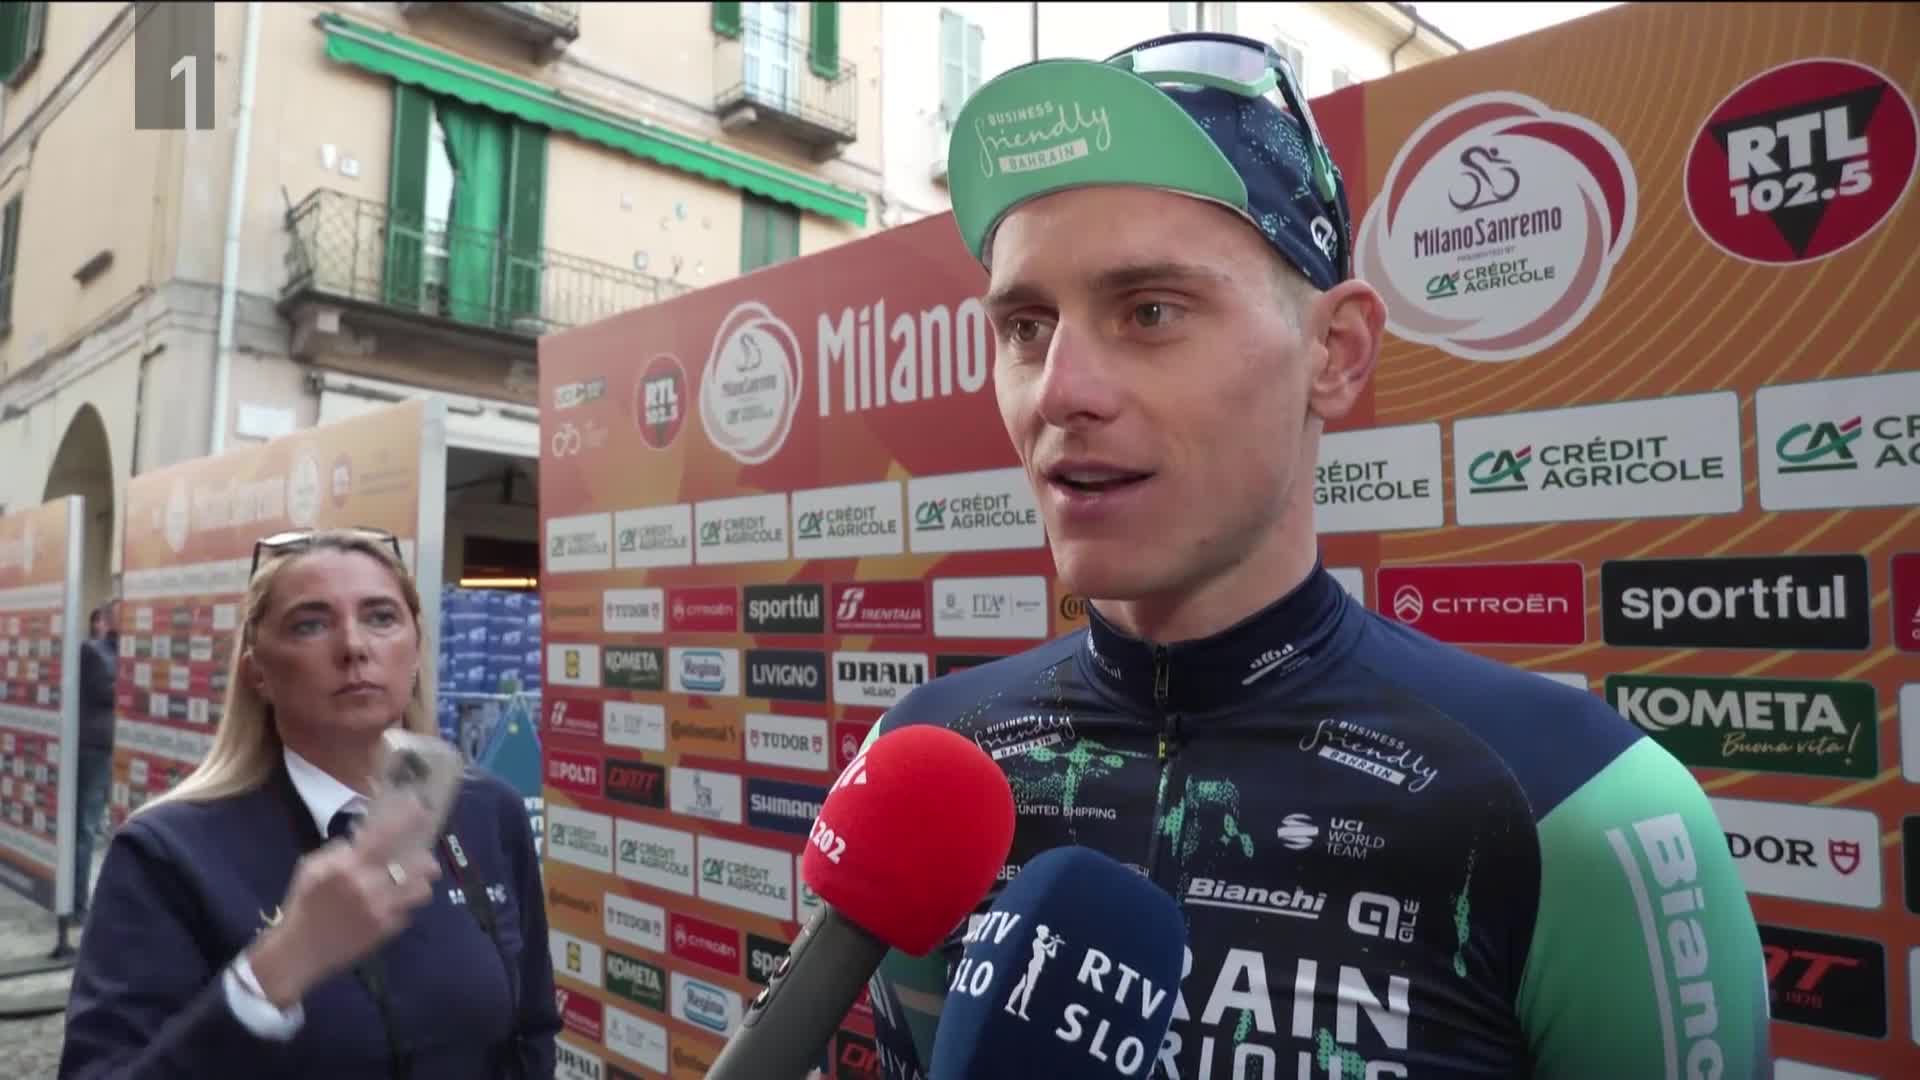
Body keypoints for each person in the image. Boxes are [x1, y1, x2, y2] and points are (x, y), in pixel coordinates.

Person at [863, 32, 1770, 1079]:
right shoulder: (920, 768)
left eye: (1150, 312)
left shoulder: (1579, 810)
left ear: (1335, 353)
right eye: (1026, 326)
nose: (1059, 391)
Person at [59, 527, 559, 1080]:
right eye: (311, 624)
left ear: (416, 650)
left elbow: (533, 1029)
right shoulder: (166, 854)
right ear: (257, 671)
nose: (354, 646)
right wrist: (275, 970)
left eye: (381, 617)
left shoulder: (488, 812)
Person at [71, 601, 119, 919]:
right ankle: (77, 902)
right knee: (86, 827)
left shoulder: (129, 654)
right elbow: (108, 691)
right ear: (107, 619)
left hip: (121, 749)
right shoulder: (92, 652)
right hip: (96, 748)